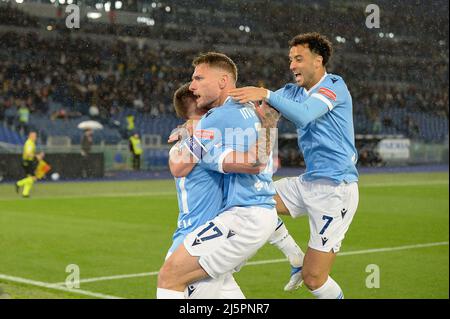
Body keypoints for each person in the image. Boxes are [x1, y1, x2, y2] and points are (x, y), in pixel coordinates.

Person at [157, 52, 303, 299]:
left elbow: (178, 166)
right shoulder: (244, 112)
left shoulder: (216, 122)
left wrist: (188, 133)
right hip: (235, 222)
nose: (193, 85)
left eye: (199, 78)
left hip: (225, 225)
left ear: (223, 81)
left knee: (169, 277)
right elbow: (263, 162)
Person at [228, 32, 359, 299]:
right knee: (249, 198)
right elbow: (262, 110)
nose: (292, 65)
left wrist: (265, 93)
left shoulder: (334, 85)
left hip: (336, 190)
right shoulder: (292, 92)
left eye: (299, 59)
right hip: (308, 181)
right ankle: (293, 256)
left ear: (318, 61)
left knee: (314, 279)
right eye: (290, 59)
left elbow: (304, 115)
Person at [15, 132, 50, 197]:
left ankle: (25, 193)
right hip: (27, 162)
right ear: (30, 136)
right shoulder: (29, 143)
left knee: (30, 178)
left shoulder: (31, 143)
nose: (35, 138)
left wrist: (38, 155)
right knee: (33, 178)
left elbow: (31, 153)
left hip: (28, 161)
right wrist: (37, 156)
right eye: (34, 136)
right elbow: (28, 153)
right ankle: (18, 183)